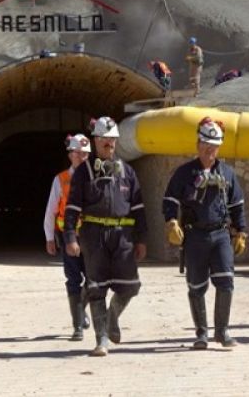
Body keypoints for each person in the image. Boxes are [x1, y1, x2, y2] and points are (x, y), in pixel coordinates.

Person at [62, 117, 147, 356]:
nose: (108, 144)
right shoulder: (83, 173)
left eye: (112, 139)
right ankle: (101, 340)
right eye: (103, 140)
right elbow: (72, 208)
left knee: (130, 286)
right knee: (96, 287)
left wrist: (141, 239)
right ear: (95, 141)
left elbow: (139, 207)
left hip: (123, 236)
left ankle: (112, 316)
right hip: (94, 236)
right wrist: (70, 237)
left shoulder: (128, 172)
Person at [163, 117, 247, 350]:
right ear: (198, 144)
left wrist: (241, 231)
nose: (210, 149)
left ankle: (222, 332)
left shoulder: (227, 173)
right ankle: (201, 334)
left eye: (214, 145)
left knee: (226, 282)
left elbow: (237, 204)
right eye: (206, 143)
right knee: (196, 286)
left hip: (221, 235)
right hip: (195, 236)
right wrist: (171, 221)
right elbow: (169, 199)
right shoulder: (184, 173)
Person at [42, 133, 92, 341]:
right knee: (73, 279)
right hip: (69, 236)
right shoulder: (61, 180)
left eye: (86, 154)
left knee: (94, 279)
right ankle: (77, 326)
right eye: (78, 153)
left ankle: (81, 310)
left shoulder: (96, 176)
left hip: (91, 238)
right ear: (70, 155)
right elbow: (51, 210)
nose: (82, 157)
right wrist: (49, 238)